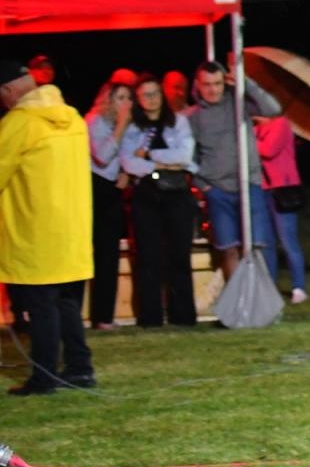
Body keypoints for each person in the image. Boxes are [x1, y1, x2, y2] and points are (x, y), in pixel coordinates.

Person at [0, 59, 95, 395]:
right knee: (67, 304)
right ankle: (80, 369)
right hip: (73, 232)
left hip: (37, 234)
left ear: (10, 91)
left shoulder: (20, 123)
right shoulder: (72, 117)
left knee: (42, 309)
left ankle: (44, 377)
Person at [186, 59, 281, 281]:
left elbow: (273, 109)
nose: (212, 90)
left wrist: (245, 83)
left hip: (248, 184)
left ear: (224, 83)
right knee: (229, 248)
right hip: (217, 190)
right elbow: (189, 157)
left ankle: (261, 301)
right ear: (198, 85)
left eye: (217, 84)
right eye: (207, 84)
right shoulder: (193, 116)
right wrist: (205, 186)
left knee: (257, 245)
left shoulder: (238, 104)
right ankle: (239, 305)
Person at [119, 75, 199, 328]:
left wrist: (150, 154)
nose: (151, 99)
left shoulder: (179, 122)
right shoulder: (133, 128)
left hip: (176, 193)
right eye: (146, 95)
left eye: (155, 93)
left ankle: (183, 315)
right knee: (148, 256)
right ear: (138, 100)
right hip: (147, 195)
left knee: (179, 254)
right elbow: (129, 162)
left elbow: (185, 156)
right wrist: (162, 164)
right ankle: (151, 317)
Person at [86, 79, 135, 330]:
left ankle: (104, 316)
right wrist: (122, 125)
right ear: (108, 99)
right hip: (95, 189)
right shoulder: (94, 121)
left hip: (113, 190)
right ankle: (93, 315)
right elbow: (103, 156)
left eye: (129, 98)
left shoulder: (123, 124)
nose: (126, 103)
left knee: (110, 255)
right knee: (96, 254)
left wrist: (128, 171)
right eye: (120, 97)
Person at [254, 114, 308, 303]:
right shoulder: (254, 128)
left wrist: (249, 142)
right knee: (266, 242)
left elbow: (268, 149)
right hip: (261, 188)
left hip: (282, 189)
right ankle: (270, 286)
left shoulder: (282, 123)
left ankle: (299, 286)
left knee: (288, 240)